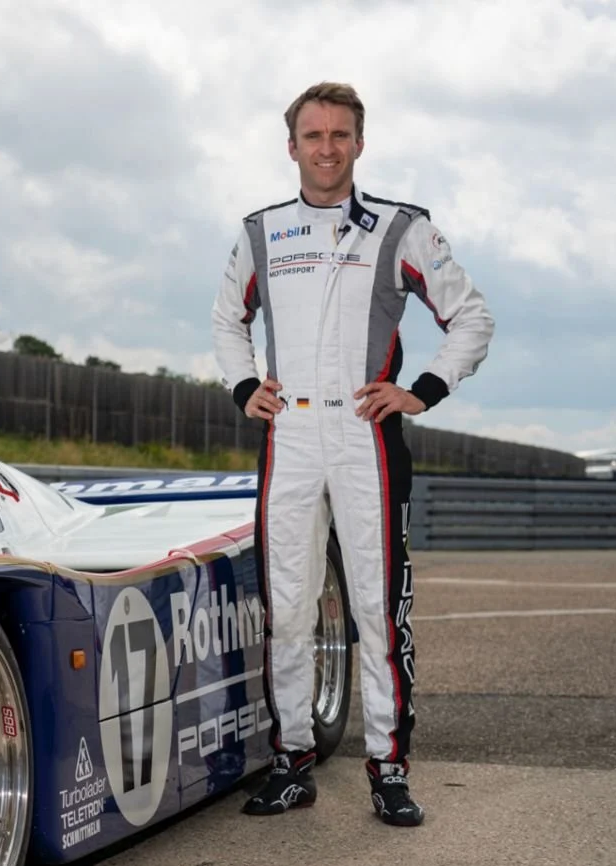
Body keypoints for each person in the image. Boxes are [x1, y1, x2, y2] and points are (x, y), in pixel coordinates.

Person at [210, 82, 494, 827]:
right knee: (287, 608)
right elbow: (227, 319)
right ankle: (292, 762)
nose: (327, 148)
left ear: (360, 143)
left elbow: (471, 317)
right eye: (314, 135)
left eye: (340, 135)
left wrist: (422, 390)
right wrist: (244, 385)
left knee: (377, 606)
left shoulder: (402, 228)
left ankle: (389, 768)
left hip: (367, 433)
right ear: (292, 146)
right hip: (290, 436)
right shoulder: (261, 232)